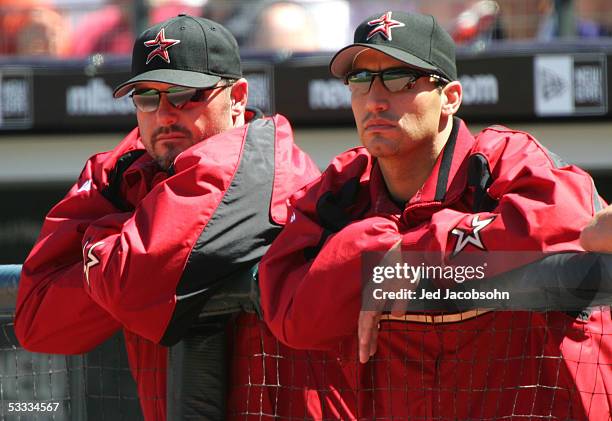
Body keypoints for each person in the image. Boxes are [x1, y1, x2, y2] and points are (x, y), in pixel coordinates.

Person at [259, 10, 612, 419]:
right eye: (360, 79)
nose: (375, 98)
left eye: (400, 78)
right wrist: (373, 253)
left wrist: (410, 257)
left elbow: (570, 220)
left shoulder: (499, 161)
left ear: (450, 97)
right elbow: (290, 316)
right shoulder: (345, 189)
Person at [14, 14, 320, 420]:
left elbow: (127, 280)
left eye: (184, 94)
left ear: (238, 97)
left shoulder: (260, 161)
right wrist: (129, 231)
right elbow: (37, 322)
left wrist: (105, 234)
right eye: (146, 97)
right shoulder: (130, 174)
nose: (164, 114)